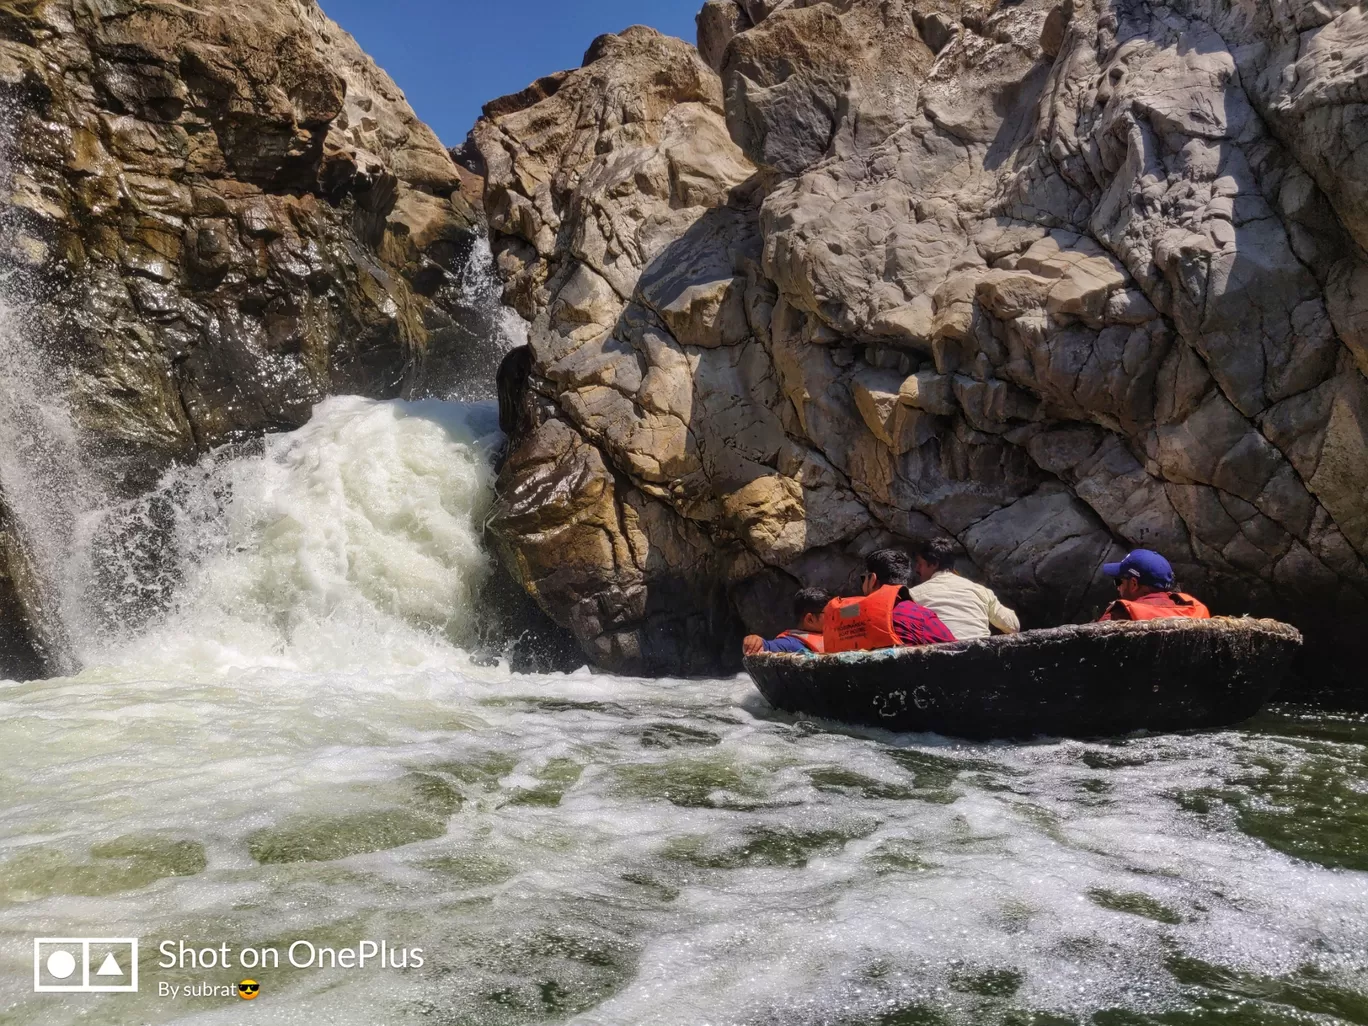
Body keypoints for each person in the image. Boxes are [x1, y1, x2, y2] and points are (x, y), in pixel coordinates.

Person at [823, 549, 957, 653]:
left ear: (873, 579)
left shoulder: (845, 613)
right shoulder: (921, 617)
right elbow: (957, 652)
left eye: (863, 579)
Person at [910, 537, 1020, 641]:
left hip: (939, 656)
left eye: (920, 564)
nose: (917, 569)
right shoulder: (981, 591)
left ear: (934, 564)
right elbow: (1013, 626)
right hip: (981, 654)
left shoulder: (913, 595)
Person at [1098, 549, 1210, 621]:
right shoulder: (1196, 615)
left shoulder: (1119, 617)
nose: (1118, 587)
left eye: (1118, 581)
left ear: (1134, 584)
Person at [742, 588, 831, 656]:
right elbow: (767, 647)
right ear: (810, 619)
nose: (836, 617)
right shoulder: (791, 644)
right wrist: (754, 641)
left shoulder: (840, 634)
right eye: (830, 614)